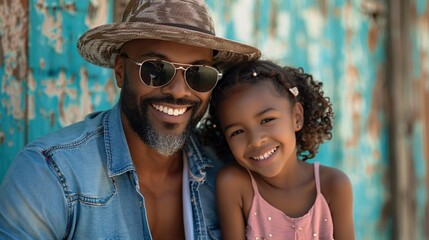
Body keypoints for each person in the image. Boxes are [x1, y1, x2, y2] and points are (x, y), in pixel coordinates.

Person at [0, 0, 260, 239]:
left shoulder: (228, 175)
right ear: (121, 71)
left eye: (198, 74)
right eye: (155, 69)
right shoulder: (51, 173)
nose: (179, 91)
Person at [199, 60, 355, 239]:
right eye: (237, 132)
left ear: (296, 117)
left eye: (267, 120)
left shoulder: (334, 185)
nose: (256, 141)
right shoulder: (234, 185)